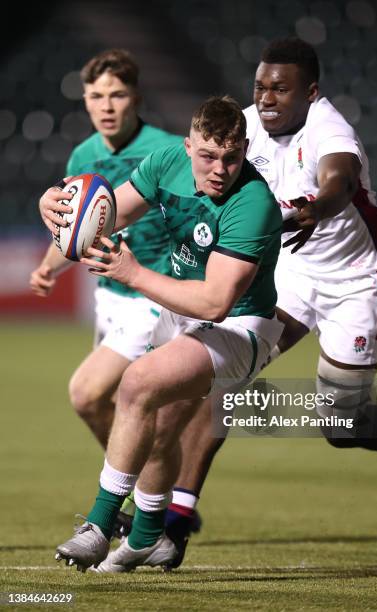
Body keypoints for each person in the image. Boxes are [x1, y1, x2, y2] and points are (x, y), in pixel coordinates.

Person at [161, 37, 377, 568]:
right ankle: (175, 524)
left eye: (280, 88)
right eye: (260, 86)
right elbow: (194, 160)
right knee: (222, 376)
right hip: (292, 276)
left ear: (310, 92)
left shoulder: (328, 129)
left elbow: (338, 184)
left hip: (358, 284)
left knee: (340, 426)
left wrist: (310, 210)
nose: (266, 98)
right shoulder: (244, 127)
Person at [38, 95, 283, 572]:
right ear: (188, 146)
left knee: (137, 384)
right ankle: (150, 537)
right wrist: (58, 206)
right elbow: (115, 213)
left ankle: (98, 525)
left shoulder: (253, 203)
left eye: (231, 158)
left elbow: (216, 301)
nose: (219, 169)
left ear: (245, 150)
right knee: (154, 428)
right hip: (179, 315)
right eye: (208, 156)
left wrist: (132, 273)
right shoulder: (167, 161)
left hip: (239, 328)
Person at [29, 49, 186, 531]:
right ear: (86, 101)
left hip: (152, 298)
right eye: (96, 96)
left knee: (86, 392)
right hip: (109, 300)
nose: (107, 105)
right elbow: (77, 230)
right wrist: (49, 266)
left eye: (117, 94)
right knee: (129, 416)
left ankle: (134, 502)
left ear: (136, 96)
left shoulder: (170, 148)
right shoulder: (83, 156)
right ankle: (152, 504)